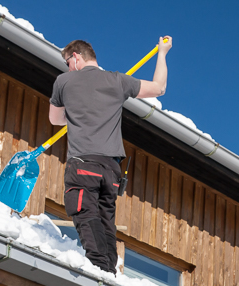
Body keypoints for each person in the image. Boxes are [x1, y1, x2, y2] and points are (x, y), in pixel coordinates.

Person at [49, 36, 173, 272]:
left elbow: (55, 119)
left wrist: (76, 114)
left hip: (83, 162)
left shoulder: (64, 81)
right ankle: (108, 270)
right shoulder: (118, 81)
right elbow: (159, 88)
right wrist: (163, 52)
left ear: (75, 57)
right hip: (111, 171)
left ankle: (98, 267)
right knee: (105, 220)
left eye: (67, 62)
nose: (67, 67)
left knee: (85, 212)